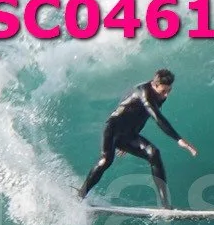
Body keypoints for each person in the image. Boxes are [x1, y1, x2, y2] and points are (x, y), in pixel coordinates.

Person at [78, 68, 198, 209]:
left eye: (169, 91)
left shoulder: (160, 96)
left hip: (129, 134)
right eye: (163, 91)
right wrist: (179, 139)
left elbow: (141, 117)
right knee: (106, 161)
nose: (166, 95)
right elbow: (157, 118)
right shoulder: (144, 93)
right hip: (113, 129)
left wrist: (128, 142)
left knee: (154, 153)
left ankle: (166, 205)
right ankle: (80, 196)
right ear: (155, 85)